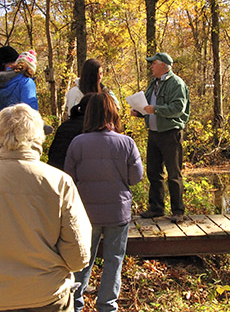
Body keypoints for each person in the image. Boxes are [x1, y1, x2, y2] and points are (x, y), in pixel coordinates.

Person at [0, 103, 93, 311]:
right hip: (46, 295)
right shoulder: (59, 181)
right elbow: (78, 253)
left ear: (0, 135)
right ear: (38, 137)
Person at [65, 92, 143, 312]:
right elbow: (136, 177)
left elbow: (68, 177)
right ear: (113, 113)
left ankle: (76, 304)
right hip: (117, 213)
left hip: (85, 214)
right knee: (113, 260)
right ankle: (107, 306)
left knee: (82, 260)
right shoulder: (127, 143)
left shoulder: (77, 143)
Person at [131, 52, 190, 223]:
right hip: (154, 133)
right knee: (153, 172)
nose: (151, 66)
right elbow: (148, 107)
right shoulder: (153, 84)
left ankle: (178, 211)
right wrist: (140, 112)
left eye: (153, 63)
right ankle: (156, 208)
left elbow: (178, 108)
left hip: (171, 133)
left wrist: (155, 110)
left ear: (163, 65)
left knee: (174, 173)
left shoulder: (176, 84)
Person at [0, 49, 39, 123]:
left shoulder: (3, 83)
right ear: (32, 69)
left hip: (5, 130)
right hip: (24, 130)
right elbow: (30, 112)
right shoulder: (27, 82)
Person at [48, 94, 91, 170]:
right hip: (68, 172)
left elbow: (52, 151)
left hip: (52, 169)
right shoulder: (89, 127)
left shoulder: (65, 124)